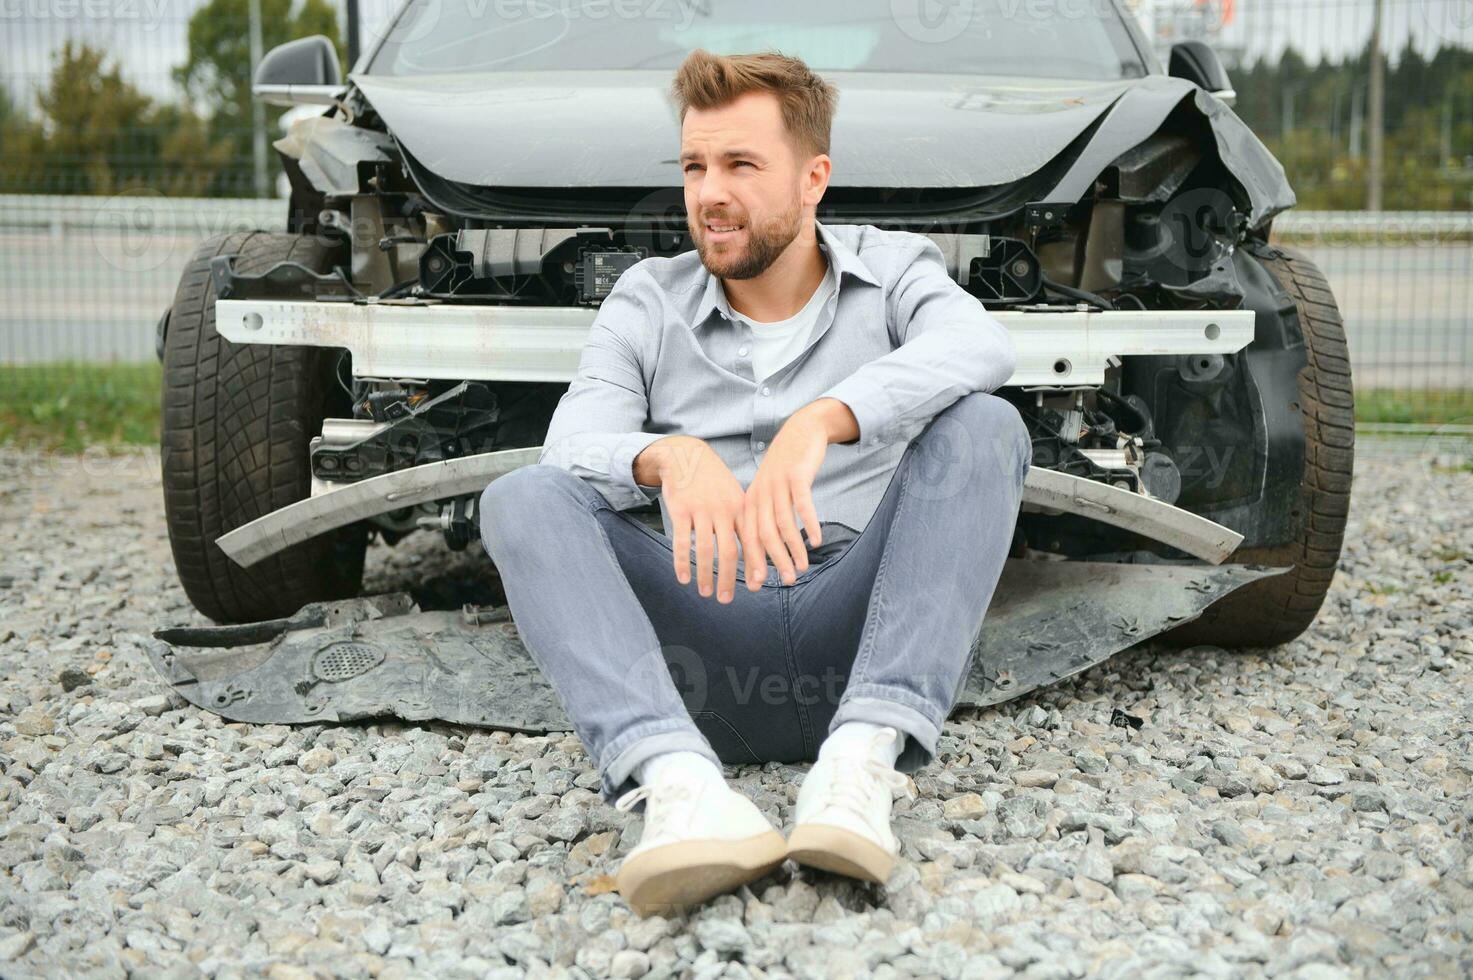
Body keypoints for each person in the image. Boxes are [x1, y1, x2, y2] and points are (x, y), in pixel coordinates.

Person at [479, 48, 1031, 918]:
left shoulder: (891, 270)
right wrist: (669, 457)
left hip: (857, 627)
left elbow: (984, 348)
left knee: (985, 425)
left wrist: (825, 418)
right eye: (695, 166)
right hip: (703, 644)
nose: (709, 193)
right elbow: (571, 445)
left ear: (814, 178)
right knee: (521, 497)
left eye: (741, 164)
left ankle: (857, 770)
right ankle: (681, 791)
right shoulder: (645, 299)